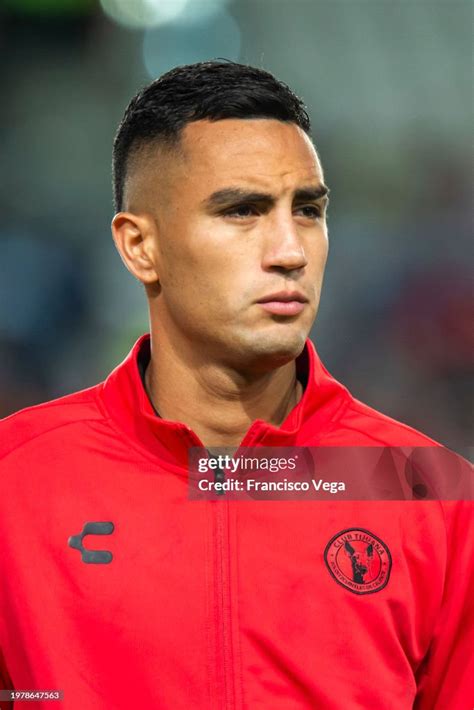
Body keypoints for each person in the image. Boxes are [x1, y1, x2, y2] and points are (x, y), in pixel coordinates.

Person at [0, 61, 472, 710]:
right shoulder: (16, 481)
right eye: (242, 210)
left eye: (308, 210)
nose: (289, 250)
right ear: (141, 246)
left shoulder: (434, 496)